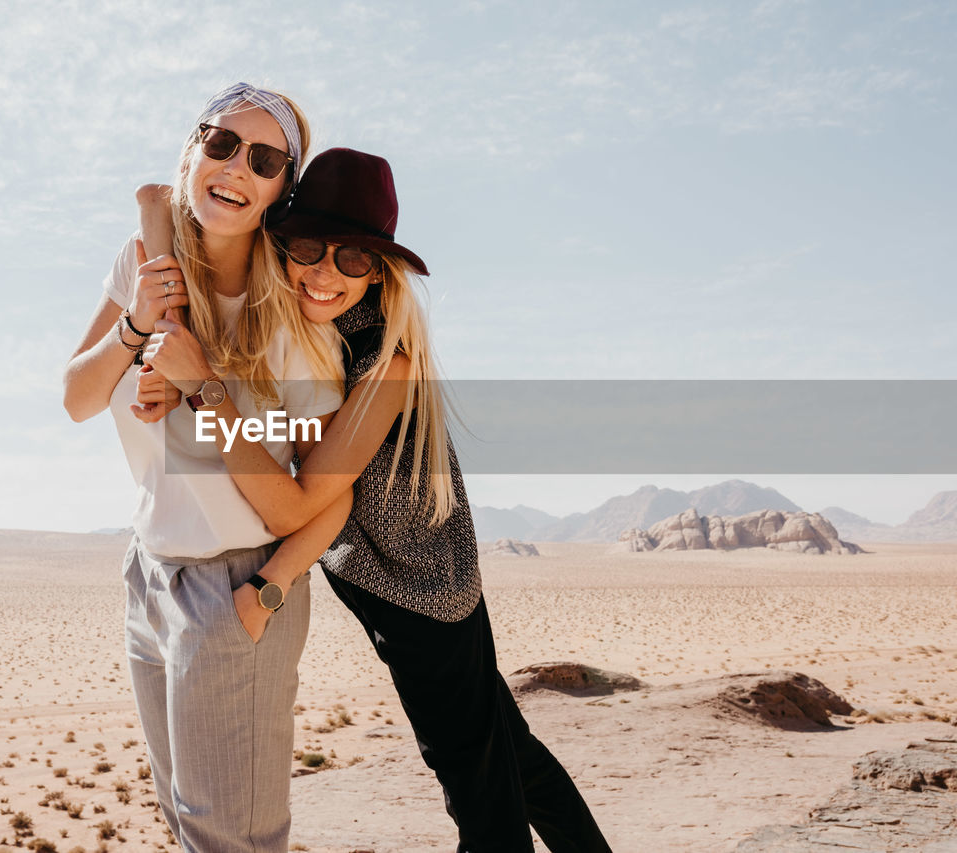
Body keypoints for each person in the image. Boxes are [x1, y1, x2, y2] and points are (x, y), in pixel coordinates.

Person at [141, 148, 613, 852]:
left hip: (422, 598)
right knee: (511, 756)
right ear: (282, 243)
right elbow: (293, 433)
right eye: (309, 247)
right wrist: (155, 213)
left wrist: (205, 390)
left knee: (475, 786)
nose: (327, 273)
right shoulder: (311, 333)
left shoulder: (385, 362)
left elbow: (295, 500)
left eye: (355, 258)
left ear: (380, 269)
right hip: (393, 580)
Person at [62, 83, 345, 853]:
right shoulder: (142, 261)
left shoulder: (293, 305)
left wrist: (203, 386)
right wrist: (135, 326)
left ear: (282, 186)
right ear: (193, 150)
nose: (235, 168)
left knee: (232, 840)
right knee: (189, 824)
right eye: (221, 144)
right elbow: (77, 398)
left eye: (264, 159)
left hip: (235, 581)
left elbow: (319, 494)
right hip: (150, 573)